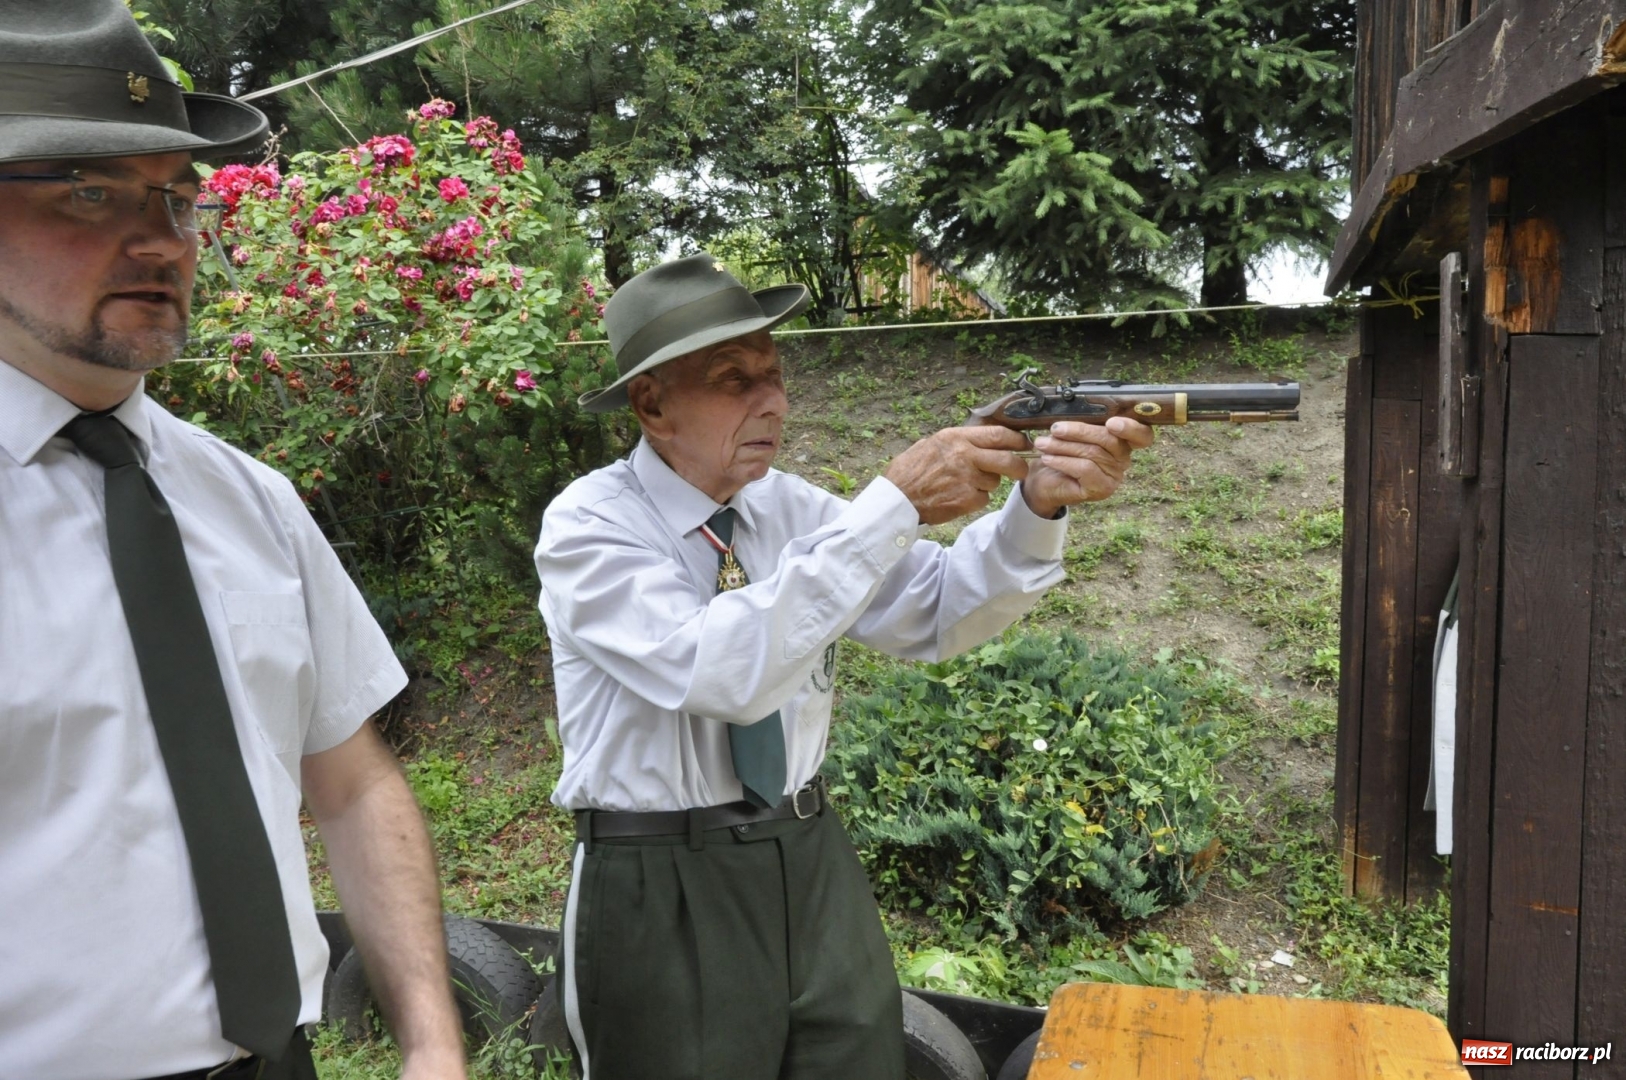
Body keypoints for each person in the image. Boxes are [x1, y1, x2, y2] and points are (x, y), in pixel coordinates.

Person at [534, 252, 1154, 1079]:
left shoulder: (787, 508)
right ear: (651, 404)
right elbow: (724, 672)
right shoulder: (590, 526)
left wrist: (1038, 503)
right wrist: (890, 507)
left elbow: (939, 612)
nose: (773, 401)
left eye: (774, 373)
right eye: (733, 379)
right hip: (661, 880)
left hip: (809, 853)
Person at [0, 3, 466, 1078]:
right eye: (88, 191)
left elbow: (350, 781)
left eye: (179, 197)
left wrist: (435, 1046)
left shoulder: (249, 500)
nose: (161, 240)